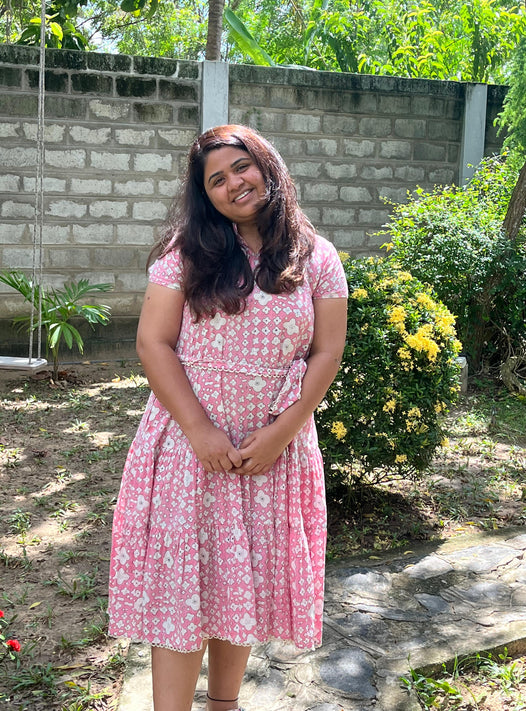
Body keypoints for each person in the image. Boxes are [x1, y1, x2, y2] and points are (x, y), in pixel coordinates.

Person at [108, 124, 348, 711]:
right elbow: (153, 344)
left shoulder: (317, 256)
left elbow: (327, 351)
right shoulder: (185, 254)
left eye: (241, 167)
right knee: (183, 592)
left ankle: (225, 704)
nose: (232, 184)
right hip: (190, 446)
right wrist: (199, 430)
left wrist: (283, 431)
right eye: (216, 180)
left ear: (266, 166)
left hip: (272, 450)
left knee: (240, 583)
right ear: (205, 196)